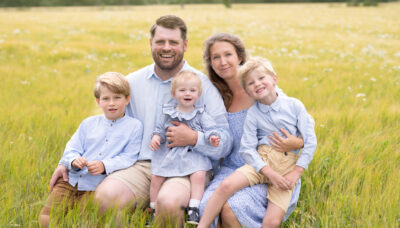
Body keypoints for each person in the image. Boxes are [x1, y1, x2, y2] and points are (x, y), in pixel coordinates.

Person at [47, 15, 232, 227]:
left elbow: (224, 141)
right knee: (105, 197)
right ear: (150, 44)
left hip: (185, 166)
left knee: (169, 203)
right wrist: (66, 161)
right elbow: (104, 124)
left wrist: (194, 138)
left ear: (185, 45)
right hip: (140, 165)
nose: (166, 47)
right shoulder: (132, 82)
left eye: (173, 42)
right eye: (160, 41)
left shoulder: (202, 85)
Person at [199, 33, 305, 227]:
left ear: (240, 57)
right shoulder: (215, 96)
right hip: (231, 169)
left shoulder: (259, 88)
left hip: (269, 169)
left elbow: (301, 131)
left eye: (228, 54)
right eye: (216, 57)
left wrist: (297, 142)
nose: (223, 62)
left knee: (233, 208)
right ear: (211, 63)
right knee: (207, 206)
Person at [39, 72, 143, 227]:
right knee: (47, 217)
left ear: (127, 99)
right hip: (70, 180)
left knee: (86, 222)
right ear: (98, 101)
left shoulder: (134, 126)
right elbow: (72, 148)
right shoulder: (88, 124)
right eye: (106, 98)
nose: (111, 103)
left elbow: (129, 157)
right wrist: (74, 160)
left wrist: (104, 165)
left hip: (95, 186)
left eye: (117, 98)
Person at [148, 70, 220, 225]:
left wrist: (212, 137)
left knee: (199, 175)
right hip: (172, 154)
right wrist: (156, 137)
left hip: (193, 154)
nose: (188, 94)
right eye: (182, 90)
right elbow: (159, 129)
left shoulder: (201, 114)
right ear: (174, 93)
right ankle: (153, 209)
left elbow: (210, 129)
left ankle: (194, 207)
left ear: (198, 94)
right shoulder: (168, 113)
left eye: (192, 90)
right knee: (156, 177)